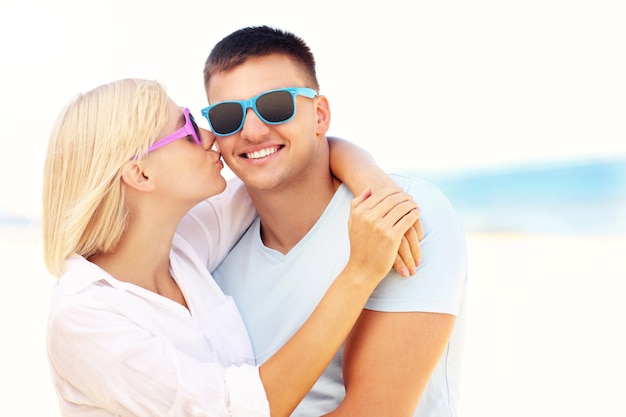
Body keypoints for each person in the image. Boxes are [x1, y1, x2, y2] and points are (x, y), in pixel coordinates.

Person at [42, 78, 422, 417]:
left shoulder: (181, 244)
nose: (209, 136)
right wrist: (360, 272)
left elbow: (295, 164)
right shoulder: (86, 320)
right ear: (140, 173)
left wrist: (372, 181)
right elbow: (249, 408)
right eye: (187, 128)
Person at [203, 26, 468, 417]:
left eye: (276, 106)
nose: (253, 131)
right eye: (228, 116)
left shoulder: (399, 214)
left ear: (320, 115)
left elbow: (374, 411)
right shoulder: (214, 253)